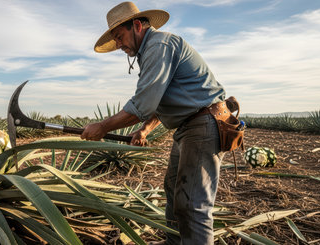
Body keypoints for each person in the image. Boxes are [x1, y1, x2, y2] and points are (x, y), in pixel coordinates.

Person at [81, 1, 228, 244]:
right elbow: (162, 98)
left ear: (137, 25)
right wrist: (146, 129)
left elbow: (143, 103)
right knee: (173, 189)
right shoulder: (151, 50)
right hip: (188, 127)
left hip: (203, 126)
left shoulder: (159, 45)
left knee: (193, 205)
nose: (118, 45)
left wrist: (102, 126)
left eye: (119, 37)